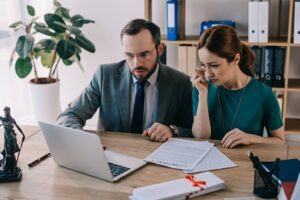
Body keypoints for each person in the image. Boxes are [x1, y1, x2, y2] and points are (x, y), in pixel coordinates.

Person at [57, 19, 193, 142]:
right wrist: (82, 140)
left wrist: (172, 130)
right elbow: (70, 115)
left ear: (160, 49)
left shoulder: (181, 83)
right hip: (112, 155)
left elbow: (193, 131)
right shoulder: (105, 75)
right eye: (129, 55)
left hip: (158, 159)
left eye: (144, 54)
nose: (136, 63)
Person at [191, 25, 285, 148]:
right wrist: (203, 95)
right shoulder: (200, 88)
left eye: (214, 65)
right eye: (203, 65)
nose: (208, 74)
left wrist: (251, 138)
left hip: (245, 163)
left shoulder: (264, 94)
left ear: (236, 59)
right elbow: (201, 137)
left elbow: (279, 141)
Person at [0, 106, 25, 172]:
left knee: (10, 153)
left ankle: (11, 167)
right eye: (5, 111)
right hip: (6, 137)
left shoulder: (12, 119)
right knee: (6, 151)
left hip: (11, 137)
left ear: (9, 111)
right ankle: (8, 166)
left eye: (7, 111)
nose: (6, 112)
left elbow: (18, 127)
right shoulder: (2, 119)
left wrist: (23, 134)